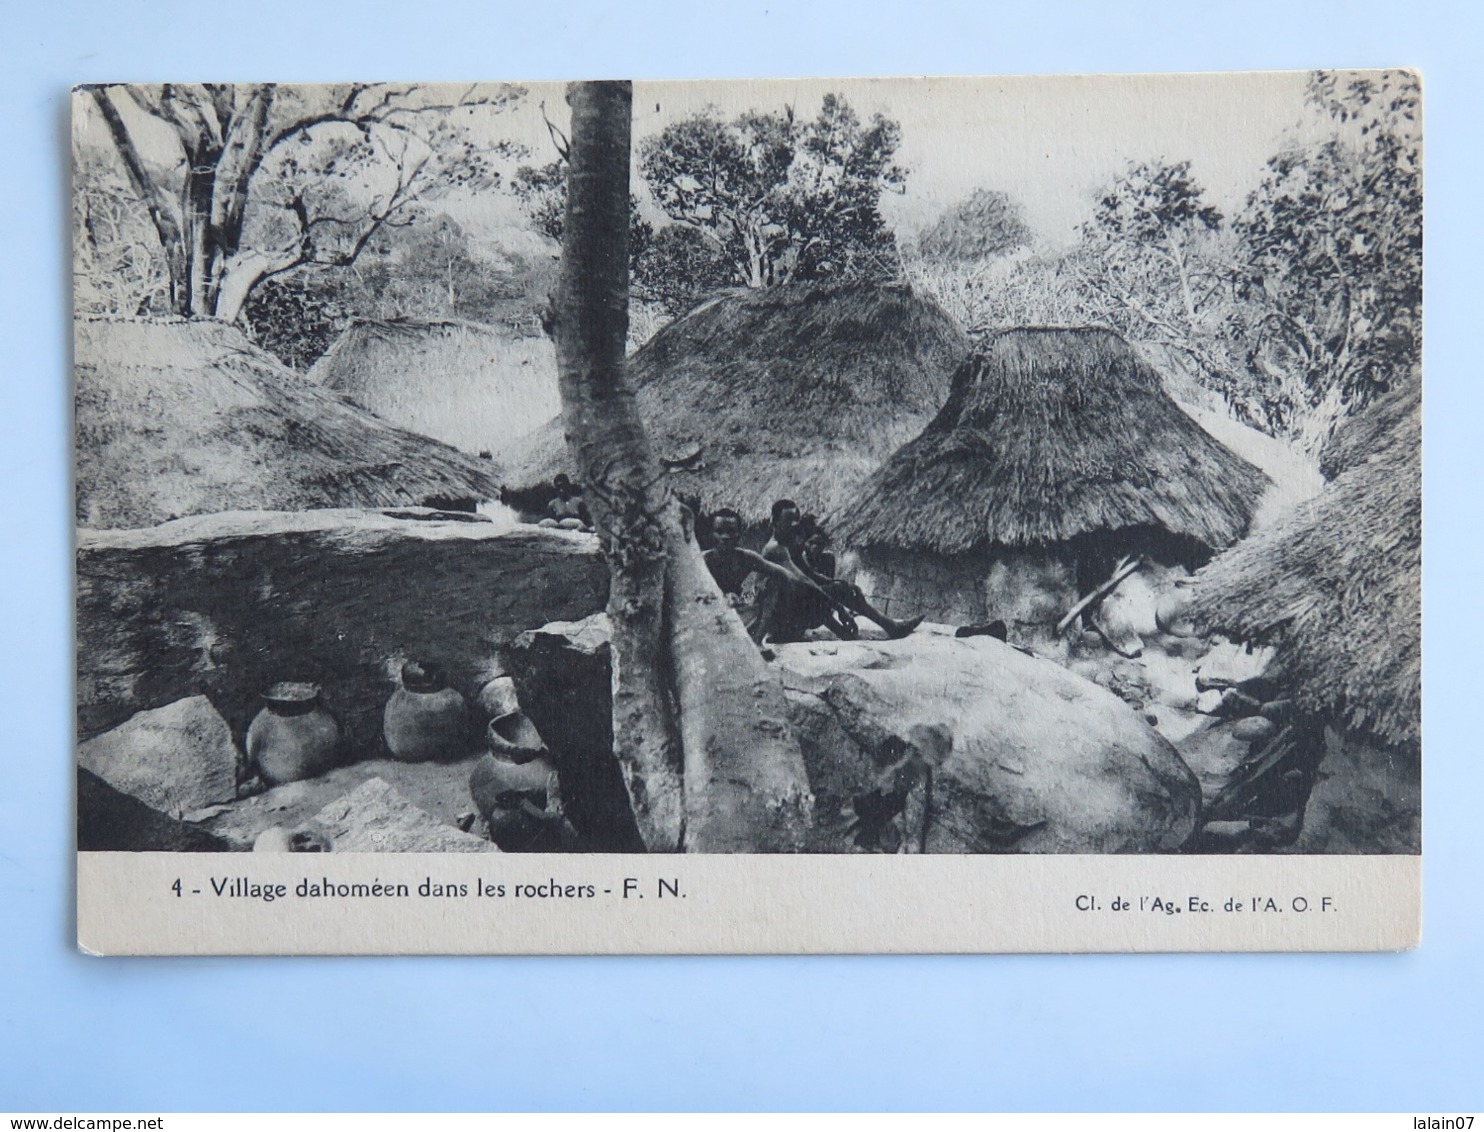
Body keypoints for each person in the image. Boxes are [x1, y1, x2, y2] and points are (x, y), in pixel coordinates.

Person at [765, 500, 923, 641]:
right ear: (775, 522)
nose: (793, 525)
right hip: (779, 623)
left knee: (839, 588)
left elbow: (810, 574)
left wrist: (842, 584)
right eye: (788, 521)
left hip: (792, 612)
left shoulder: (789, 545)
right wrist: (840, 607)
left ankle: (852, 632)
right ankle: (891, 627)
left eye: (796, 520)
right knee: (826, 592)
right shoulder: (776, 549)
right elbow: (804, 582)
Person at [703, 507, 855, 644]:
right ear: (711, 534)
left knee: (777, 583)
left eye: (731, 531)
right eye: (720, 531)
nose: (725, 537)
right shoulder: (704, 560)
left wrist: (838, 607)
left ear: (739, 534)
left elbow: (791, 577)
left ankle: (758, 641)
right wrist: (721, 599)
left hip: (742, 613)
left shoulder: (748, 558)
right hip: (710, 615)